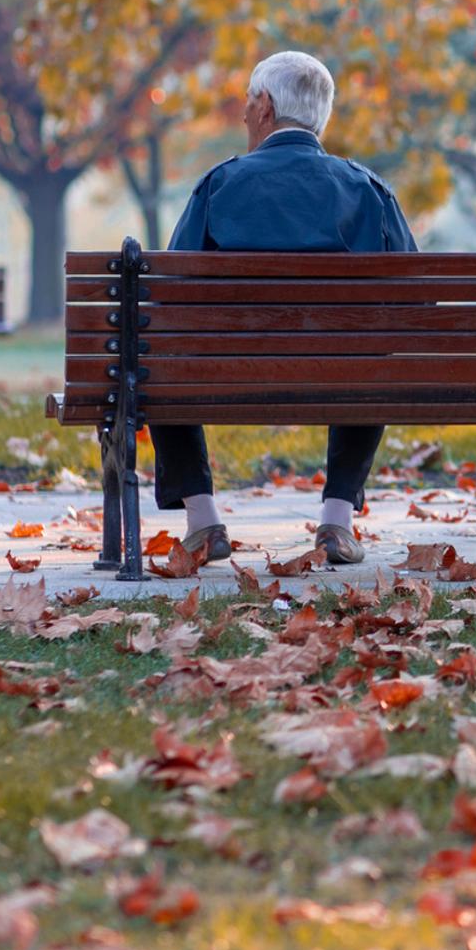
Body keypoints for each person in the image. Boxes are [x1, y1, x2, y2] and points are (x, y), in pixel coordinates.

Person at [148, 51, 417, 566]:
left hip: (226, 376)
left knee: (154, 358)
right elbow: (415, 300)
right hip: (344, 375)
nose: (245, 114)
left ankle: (203, 521)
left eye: (249, 103)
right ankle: (336, 521)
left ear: (266, 107)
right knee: (370, 356)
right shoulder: (367, 189)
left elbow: (170, 296)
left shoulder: (220, 184)